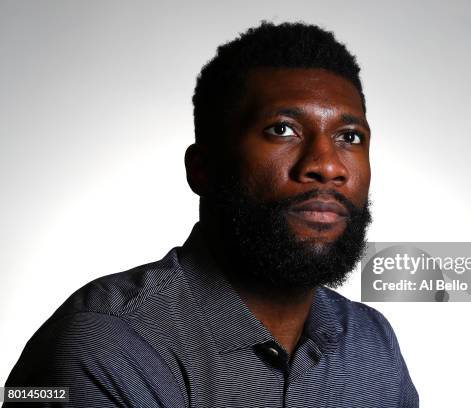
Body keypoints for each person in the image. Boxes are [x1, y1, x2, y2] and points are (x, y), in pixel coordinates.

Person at [4, 22, 419, 407]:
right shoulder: (102, 346)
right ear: (202, 168)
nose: (327, 165)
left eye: (349, 137)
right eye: (282, 129)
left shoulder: (373, 344)